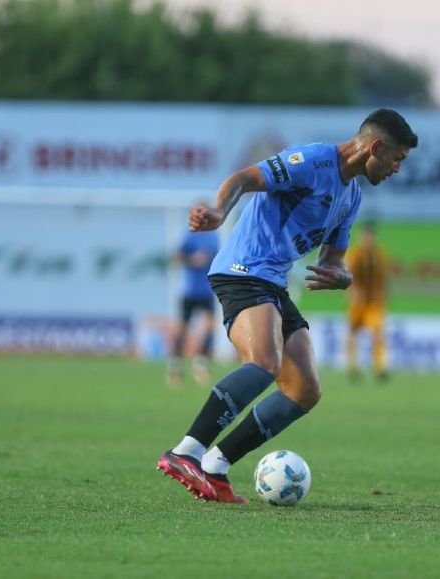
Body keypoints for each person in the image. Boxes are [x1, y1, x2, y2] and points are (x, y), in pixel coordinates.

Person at [156, 108, 418, 503]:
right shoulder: (313, 161)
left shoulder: (350, 197)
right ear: (376, 148)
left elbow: (333, 257)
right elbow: (244, 178)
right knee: (264, 363)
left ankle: (216, 465)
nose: (398, 168)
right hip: (243, 270)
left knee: (304, 389)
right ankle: (186, 451)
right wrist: (217, 213)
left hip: (273, 281)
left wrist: (340, 275)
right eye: (397, 158)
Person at [166, 227, 220, 387]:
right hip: (188, 291)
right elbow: (175, 258)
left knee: (210, 328)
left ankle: (200, 365)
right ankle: (175, 367)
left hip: (207, 291)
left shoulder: (214, 237)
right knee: (182, 330)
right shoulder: (188, 236)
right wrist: (192, 259)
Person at [345, 220, 390, 381]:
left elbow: (383, 279)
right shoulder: (355, 254)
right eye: (366, 236)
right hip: (358, 302)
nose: (369, 239)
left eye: (371, 236)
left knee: (378, 333)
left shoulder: (380, 255)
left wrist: (384, 297)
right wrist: (353, 293)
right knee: (352, 333)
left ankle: (380, 367)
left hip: (374, 302)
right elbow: (349, 275)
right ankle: (353, 366)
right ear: (362, 237)